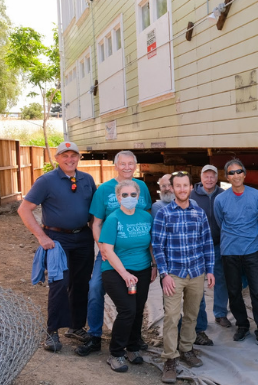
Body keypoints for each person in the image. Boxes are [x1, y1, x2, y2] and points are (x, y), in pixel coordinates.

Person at [18, 142, 96, 351]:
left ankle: (76, 326)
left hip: (83, 238)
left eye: (73, 155)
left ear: (78, 157)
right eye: (65, 155)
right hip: (56, 240)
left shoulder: (87, 179)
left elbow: (94, 212)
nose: (69, 159)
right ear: (57, 157)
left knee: (81, 284)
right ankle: (52, 332)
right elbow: (24, 209)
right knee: (59, 284)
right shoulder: (46, 181)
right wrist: (41, 237)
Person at [76, 151, 152, 356]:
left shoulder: (141, 187)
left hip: (135, 252)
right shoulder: (104, 190)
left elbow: (146, 217)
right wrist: (101, 247)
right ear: (116, 165)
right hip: (109, 251)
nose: (127, 167)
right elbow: (96, 223)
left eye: (131, 164)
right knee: (95, 288)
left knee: (137, 297)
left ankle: (133, 337)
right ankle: (94, 335)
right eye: (123, 164)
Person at [152, 171, 215, 384]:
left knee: (192, 314)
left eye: (184, 185)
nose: (180, 189)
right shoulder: (164, 213)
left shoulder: (199, 213)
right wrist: (164, 274)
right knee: (171, 316)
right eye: (176, 186)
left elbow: (207, 243)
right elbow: (158, 246)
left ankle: (186, 349)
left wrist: (210, 270)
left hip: (196, 272)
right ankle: (170, 358)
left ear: (190, 187)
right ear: (172, 187)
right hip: (174, 274)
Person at [214, 159, 258, 349]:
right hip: (230, 251)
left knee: (257, 292)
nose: (236, 175)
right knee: (234, 292)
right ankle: (242, 325)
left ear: (244, 174)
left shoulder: (256, 196)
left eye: (239, 171)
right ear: (227, 176)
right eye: (231, 173)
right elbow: (220, 221)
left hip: (251, 250)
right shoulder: (221, 199)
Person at [98, 180, 156, 372]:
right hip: (115, 271)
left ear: (138, 197)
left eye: (133, 195)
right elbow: (108, 250)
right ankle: (116, 353)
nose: (129, 198)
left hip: (143, 270)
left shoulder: (146, 217)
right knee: (127, 310)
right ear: (118, 198)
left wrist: (153, 264)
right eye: (125, 195)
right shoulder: (113, 219)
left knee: (138, 309)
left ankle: (133, 348)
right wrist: (124, 274)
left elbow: (150, 244)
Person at [191, 165, 231, 338]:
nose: (209, 179)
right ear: (201, 177)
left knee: (221, 279)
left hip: (218, 244)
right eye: (206, 176)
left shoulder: (223, 194)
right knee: (198, 282)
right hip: (198, 247)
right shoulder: (192, 195)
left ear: (217, 178)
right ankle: (200, 319)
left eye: (212, 176)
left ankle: (220, 313)